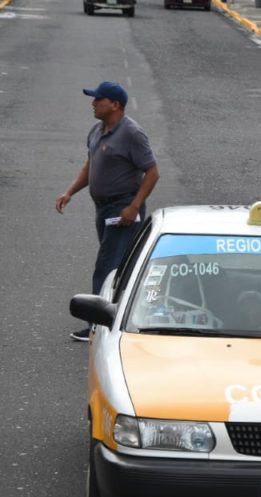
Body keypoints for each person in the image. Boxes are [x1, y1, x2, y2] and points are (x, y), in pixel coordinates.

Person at [56, 81, 160, 341]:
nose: (93, 103)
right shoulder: (96, 130)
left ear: (115, 104)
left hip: (121, 208)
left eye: (98, 99)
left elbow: (152, 172)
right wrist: (69, 192)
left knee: (106, 266)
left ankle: (96, 325)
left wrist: (133, 206)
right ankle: (123, 316)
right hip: (103, 208)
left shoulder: (132, 134)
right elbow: (91, 165)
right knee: (118, 266)